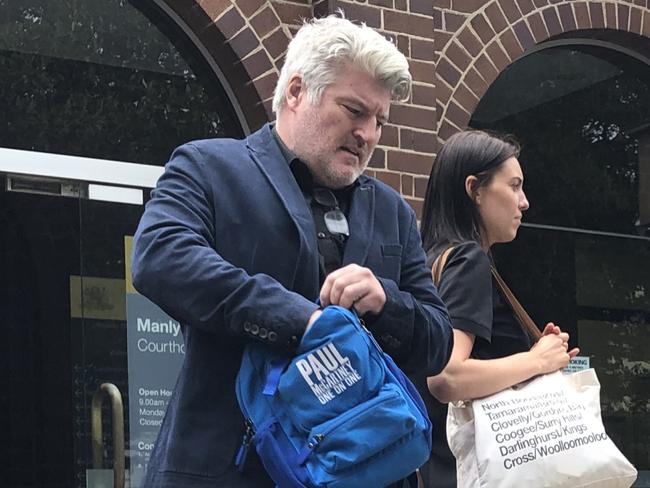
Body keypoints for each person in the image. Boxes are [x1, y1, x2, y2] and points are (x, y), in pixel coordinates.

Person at [131, 14, 453, 488]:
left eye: (380, 121)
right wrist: (301, 321)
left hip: (369, 471)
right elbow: (160, 257)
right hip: (230, 470)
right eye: (354, 110)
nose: (368, 134)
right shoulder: (210, 167)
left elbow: (438, 341)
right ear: (297, 91)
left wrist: (386, 301)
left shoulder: (392, 211)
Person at [416, 130, 580, 487]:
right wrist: (538, 361)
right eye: (514, 186)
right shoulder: (468, 259)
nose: (524, 202)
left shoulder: (428, 261)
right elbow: (446, 377)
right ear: (474, 189)